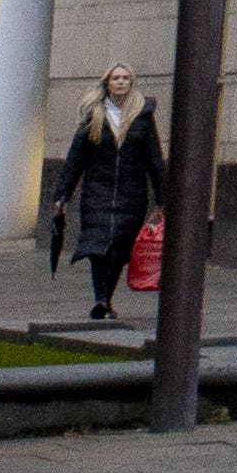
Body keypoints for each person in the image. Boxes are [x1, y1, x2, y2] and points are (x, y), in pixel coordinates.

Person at [59, 64, 160, 323]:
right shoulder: (94, 115)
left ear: (132, 83)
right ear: (107, 83)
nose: (121, 82)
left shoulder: (142, 116)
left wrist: (163, 200)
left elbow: (155, 160)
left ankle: (106, 298)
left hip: (131, 194)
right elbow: (75, 159)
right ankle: (101, 299)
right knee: (97, 245)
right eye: (116, 78)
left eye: (126, 78)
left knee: (117, 249)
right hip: (97, 193)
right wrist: (63, 195)